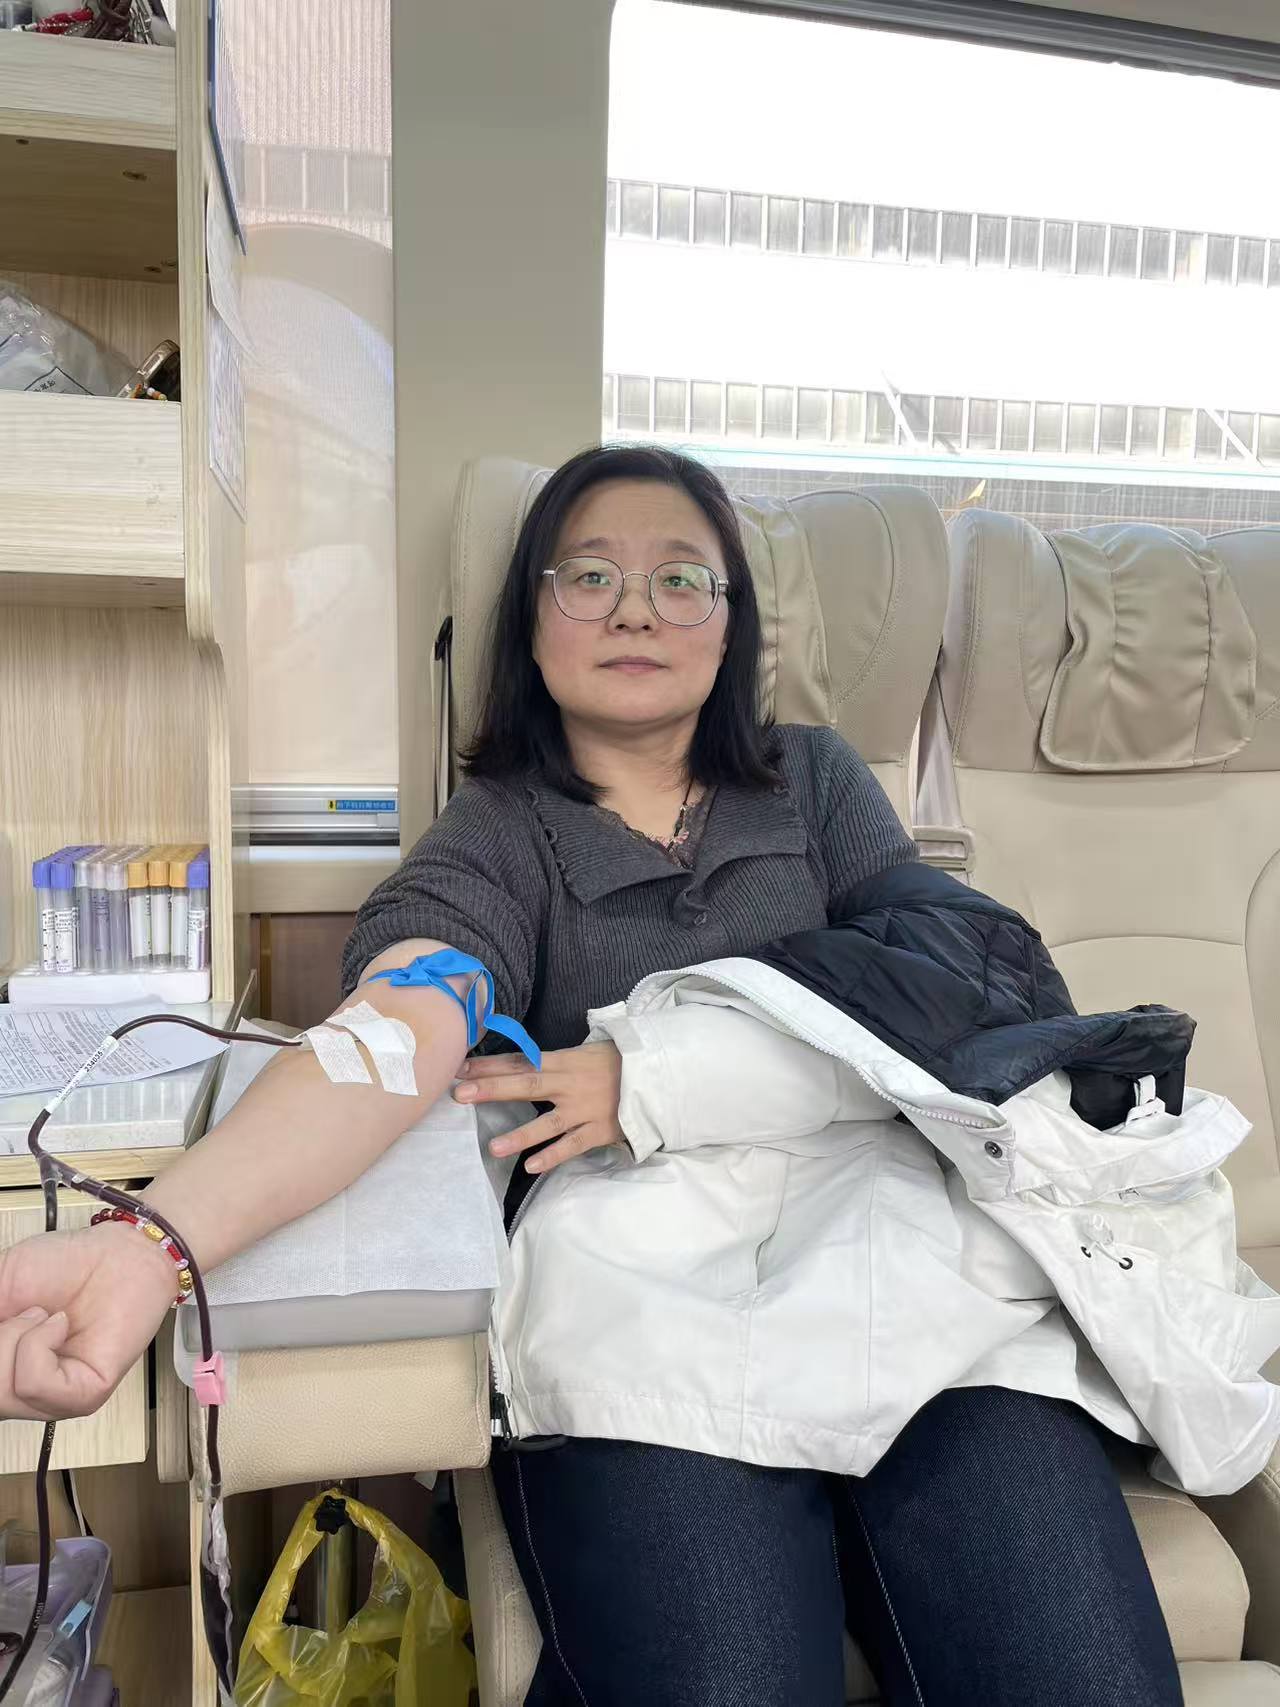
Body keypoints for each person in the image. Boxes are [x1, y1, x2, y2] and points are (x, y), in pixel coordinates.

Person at [0, 447, 1179, 1706]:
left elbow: (973, 980)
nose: (634, 609)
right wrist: (147, 1248)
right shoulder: (498, 834)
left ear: (730, 623)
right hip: (644, 1326)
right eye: (590, 575)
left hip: (915, 1280)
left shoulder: (813, 780)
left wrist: (661, 1074)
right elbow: (393, 1030)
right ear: (532, 617)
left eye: (681, 578)